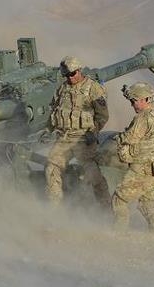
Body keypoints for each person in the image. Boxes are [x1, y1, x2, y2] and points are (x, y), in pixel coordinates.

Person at [44, 56, 111, 207]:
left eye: (72, 74)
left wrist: (93, 132)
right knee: (52, 167)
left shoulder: (93, 88)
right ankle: (54, 208)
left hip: (83, 138)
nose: (70, 78)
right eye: (66, 75)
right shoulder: (63, 88)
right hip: (64, 137)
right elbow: (55, 111)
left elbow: (103, 115)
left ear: (79, 70)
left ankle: (106, 206)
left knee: (92, 174)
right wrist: (48, 130)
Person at [112, 82, 154, 231]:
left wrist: (117, 138)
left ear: (145, 100)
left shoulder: (143, 118)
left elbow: (130, 138)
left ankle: (118, 234)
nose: (132, 105)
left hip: (141, 169)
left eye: (134, 101)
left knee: (119, 199)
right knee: (147, 204)